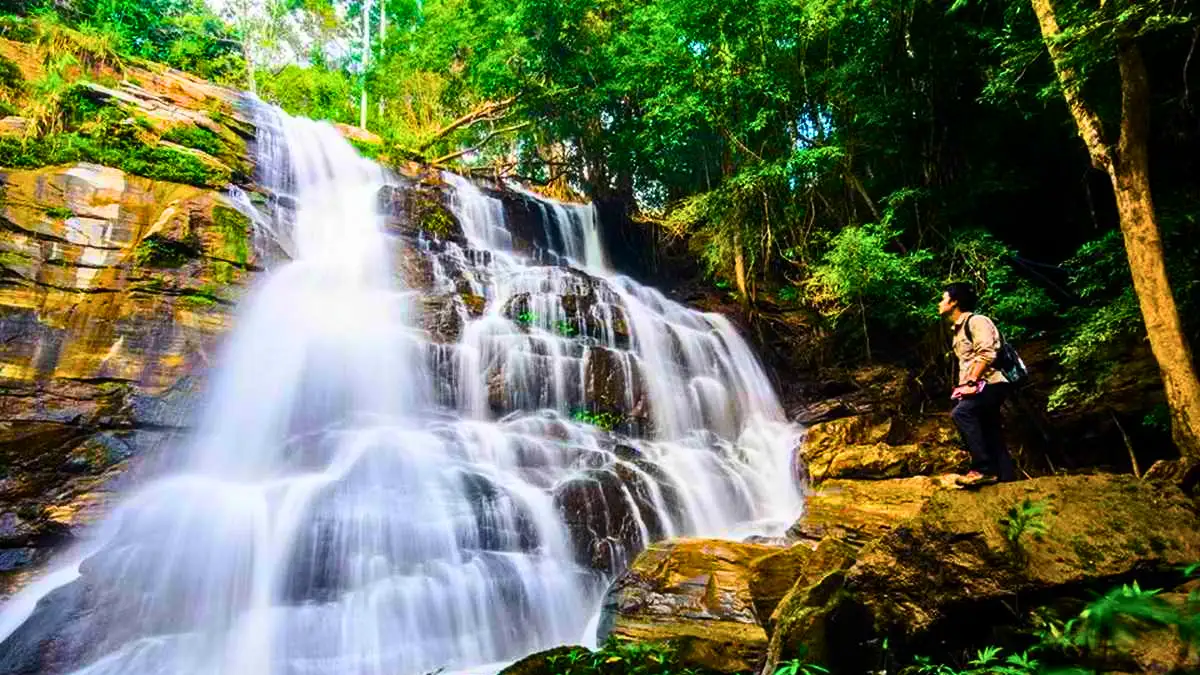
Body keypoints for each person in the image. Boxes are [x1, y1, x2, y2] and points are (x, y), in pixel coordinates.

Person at [938, 282, 1015, 485]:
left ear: (954, 302)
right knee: (989, 428)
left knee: (962, 414)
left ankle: (983, 469)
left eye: (943, 298)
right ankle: (1006, 478)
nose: (939, 303)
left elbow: (987, 353)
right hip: (979, 386)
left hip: (990, 383)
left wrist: (972, 379)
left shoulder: (977, 321)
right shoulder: (958, 330)